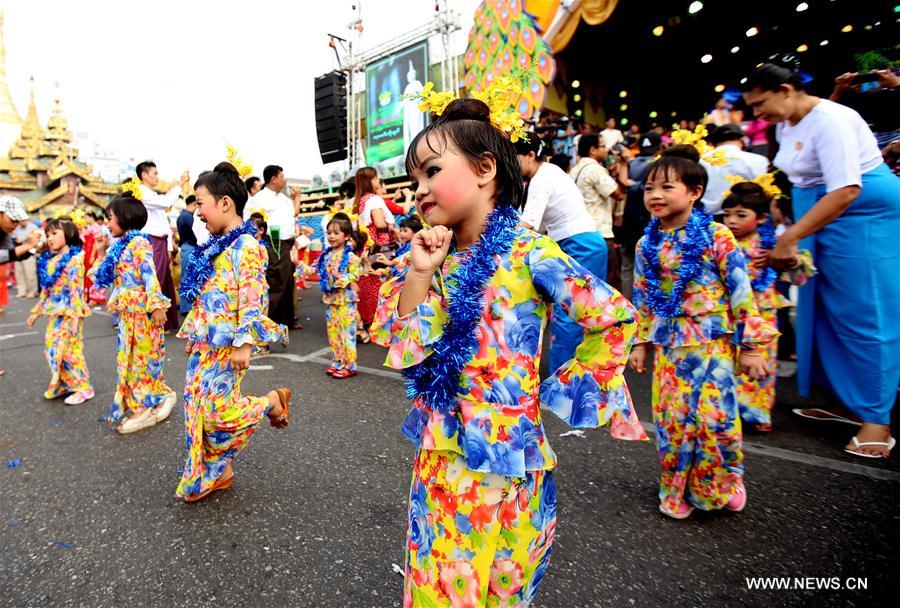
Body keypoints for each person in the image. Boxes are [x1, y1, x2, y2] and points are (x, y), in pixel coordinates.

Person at [371, 97, 646, 608]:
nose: (419, 189)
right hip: (447, 460)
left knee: (509, 585)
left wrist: (559, 394)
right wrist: (419, 273)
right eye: (415, 179)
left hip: (519, 457)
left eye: (431, 170)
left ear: (484, 168)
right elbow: (404, 343)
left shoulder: (530, 252)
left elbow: (614, 317)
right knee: (441, 589)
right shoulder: (435, 256)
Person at [743, 63, 900, 458]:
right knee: (823, 311)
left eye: (761, 104)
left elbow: (846, 189)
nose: (758, 115)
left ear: (785, 89)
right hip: (818, 216)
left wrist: (790, 238)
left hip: (858, 217)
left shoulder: (833, 119)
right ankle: (847, 400)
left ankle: (877, 420)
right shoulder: (796, 117)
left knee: (866, 315)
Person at [627, 145, 774, 519]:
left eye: (666, 187)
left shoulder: (717, 234)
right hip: (671, 349)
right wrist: (640, 343)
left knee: (715, 419)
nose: (655, 196)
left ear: (694, 193)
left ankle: (724, 483)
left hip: (714, 344)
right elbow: (642, 294)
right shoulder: (647, 244)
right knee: (674, 423)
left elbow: (741, 289)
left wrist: (753, 345)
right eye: (648, 188)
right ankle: (675, 488)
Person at [177, 162, 292, 503]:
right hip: (204, 345)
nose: (198, 212)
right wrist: (196, 335)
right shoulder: (215, 247)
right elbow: (208, 296)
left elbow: (252, 298)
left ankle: (269, 402)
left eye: (201, 203)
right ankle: (214, 471)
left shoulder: (248, 246)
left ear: (225, 203)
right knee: (194, 410)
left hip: (230, 347)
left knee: (218, 413)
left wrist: (245, 343)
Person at [722, 182, 815, 432]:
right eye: (727, 214)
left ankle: (757, 413)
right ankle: (728, 412)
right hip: (727, 313)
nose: (732, 221)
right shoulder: (719, 241)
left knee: (761, 362)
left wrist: (786, 258)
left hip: (761, 314)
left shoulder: (771, 243)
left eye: (741, 215)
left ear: (761, 218)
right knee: (728, 362)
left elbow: (802, 267)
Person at [514, 136, 609, 371]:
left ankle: (561, 382)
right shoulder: (550, 172)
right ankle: (583, 375)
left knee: (568, 315)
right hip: (582, 243)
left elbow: (528, 224)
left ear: (530, 156)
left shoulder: (541, 179)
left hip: (580, 244)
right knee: (582, 314)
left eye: (512, 159)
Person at [90, 195, 177, 433]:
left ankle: (144, 409)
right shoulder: (118, 246)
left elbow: (150, 275)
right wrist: (100, 252)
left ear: (125, 218)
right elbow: (100, 278)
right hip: (127, 314)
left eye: (110, 218)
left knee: (143, 360)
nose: (106, 224)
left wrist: (157, 306)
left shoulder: (139, 243)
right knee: (129, 360)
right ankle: (158, 396)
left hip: (142, 313)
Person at [26, 218, 94, 406]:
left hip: (71, 312)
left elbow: (76, 290)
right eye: (48, 234)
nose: (50, 238)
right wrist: (36, 312)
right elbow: (45, 290)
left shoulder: (74, 260)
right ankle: (63, 383)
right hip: (55, 312)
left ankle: (84, 387)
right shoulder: (49, 260)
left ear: (69, 234)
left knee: (71, 351)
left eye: (55, 233)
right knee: (52, 349)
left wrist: (75, 316)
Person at [298, 215, 362, 378]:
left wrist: (341, 277)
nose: (331, 236)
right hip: (331, 300)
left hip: (346, 300)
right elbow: (313, 269)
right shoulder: (325, 255)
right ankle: (338, 361)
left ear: (347, 236)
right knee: (333, 333)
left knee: (347, 333)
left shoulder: (351, 256)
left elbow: (355, 274)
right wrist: (299, 267)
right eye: (329, 233)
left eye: (336, 233)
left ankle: (350, 365)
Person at [243, 165, 302, 330]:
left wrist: (296, 197)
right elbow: (250, 219)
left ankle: (286, 319)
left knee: (288, 281)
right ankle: (270, 320)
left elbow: (293, 214)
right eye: (282, 176)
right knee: (276, 280)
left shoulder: (284, 199)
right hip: (273, 242)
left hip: (287, 242)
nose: (284, 180)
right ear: (274, 179)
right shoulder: (260, 198)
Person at [136, 160, 188, 332]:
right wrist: (178, 187)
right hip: (152, 240)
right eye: (154, 173)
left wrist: (169, 246)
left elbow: (163, 207)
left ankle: (165, 322)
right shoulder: (141, 192)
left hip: (160, 240)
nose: (157, 176)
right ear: (144, 175)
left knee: (164, 281)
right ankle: (150, 318)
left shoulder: (152, 194)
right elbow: (165, 203)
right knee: (155, 280)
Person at [570, 133, 625, 289]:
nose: (606, 150)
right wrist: (623, 167)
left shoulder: (574, 170)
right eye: (603, 146)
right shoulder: (594, 169)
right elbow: (618, 194)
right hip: (600, 232)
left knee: (586, 285)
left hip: (580, 235)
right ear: (593, 150)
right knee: (609, 285)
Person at [619, 131, 664, 299]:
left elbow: (623, 184)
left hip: (630, 224)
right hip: (650, 224)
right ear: (660, 147)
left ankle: (627, 308)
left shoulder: (632, 164)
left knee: (628, 267)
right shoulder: (661, 167)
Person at [354, 167, 396, 330]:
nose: (378, 181)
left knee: (367, 282)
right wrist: (392, 226)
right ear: (370, 180)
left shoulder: (361, 200)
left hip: (367, 245)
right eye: (376, 178)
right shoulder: (375, 199)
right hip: (381, 245)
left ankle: (366, 318)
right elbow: (379, 223)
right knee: (380, 282)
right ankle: (379, 320)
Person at [700, 123, 769, 215]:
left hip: (704, 221)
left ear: (712, 143)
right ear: (741, 140)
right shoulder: (759, 160)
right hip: (746, 218)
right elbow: (765, 191)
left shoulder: (700, 161)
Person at [376, 214, 422, 279]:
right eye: (400, 231)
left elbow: (407, 258)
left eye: (405, 231)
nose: (402, 233)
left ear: (416, 232)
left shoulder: (417, 245)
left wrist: (391, 263)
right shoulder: (404, 246)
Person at [176, 195, 199, 316]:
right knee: (188, 277)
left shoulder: (182, 215)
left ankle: (185, 305)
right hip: (190, 247)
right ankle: (186, 307)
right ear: (194, 204)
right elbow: (197, 233)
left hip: (186, 247)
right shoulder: (188, 217)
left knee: (186, 276)